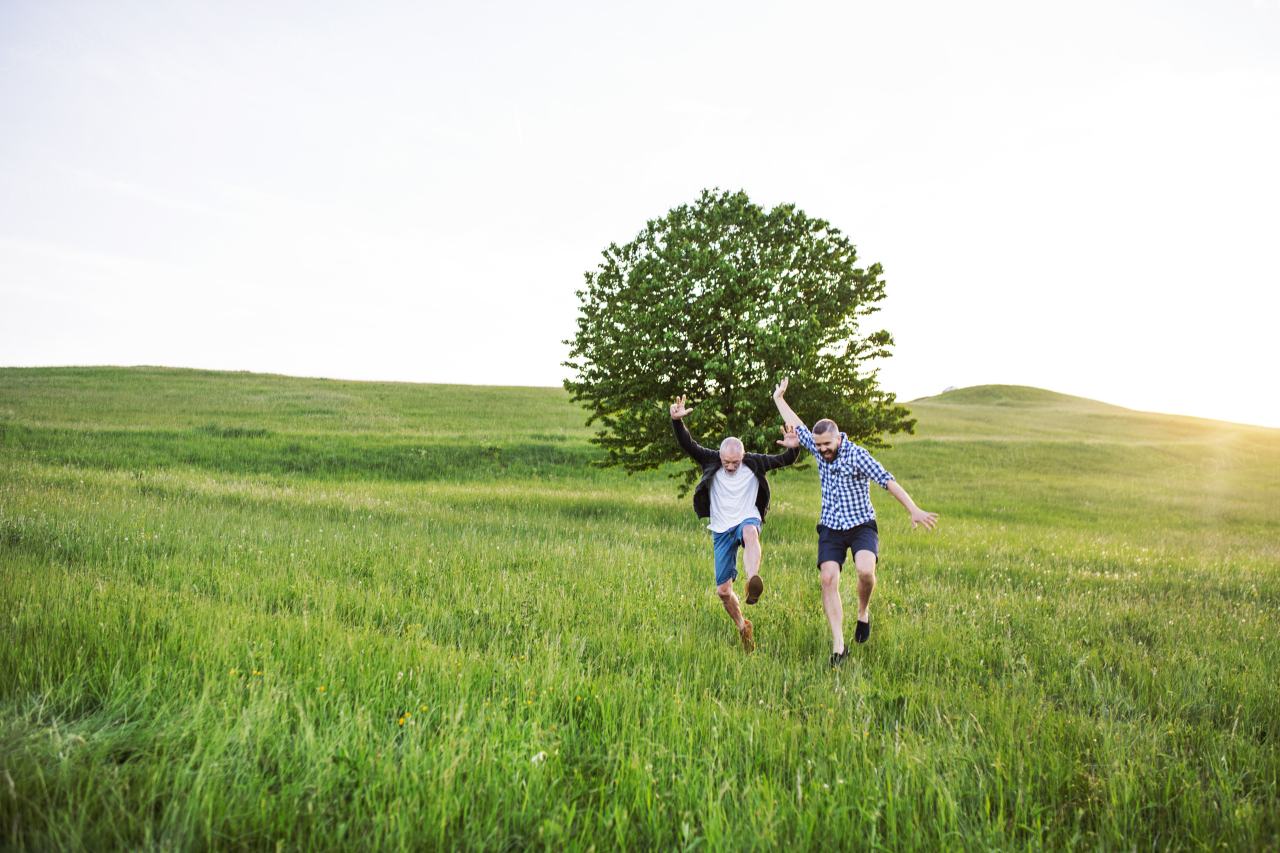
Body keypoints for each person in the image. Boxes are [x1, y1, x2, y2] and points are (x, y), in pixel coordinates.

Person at [771, 377, 938, 666]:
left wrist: (913, 509)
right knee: (828, 579)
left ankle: (863, 612)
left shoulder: (857, 455)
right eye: (818, 445)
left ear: (838, 438)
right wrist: (779, 399)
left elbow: (888, 481)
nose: (821, 450)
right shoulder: (817, 446)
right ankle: (839, 646)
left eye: (826, 444)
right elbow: (797, 424)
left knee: (864, 572)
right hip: (830, 526)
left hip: (861, 524)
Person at [670, 395, 800, 653]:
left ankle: (753, 581)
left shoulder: (754, 462)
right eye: (726, 462)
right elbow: (687, 444)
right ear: (720, 455)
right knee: (722, 591)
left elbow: (783, 460)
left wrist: (793, 448)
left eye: (735, 462)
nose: (730, 467)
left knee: (751, 531)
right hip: (721, 529)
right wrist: (676, 421)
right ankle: (743, 627)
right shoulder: (709, 459)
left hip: (745, 519)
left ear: (743, 455)